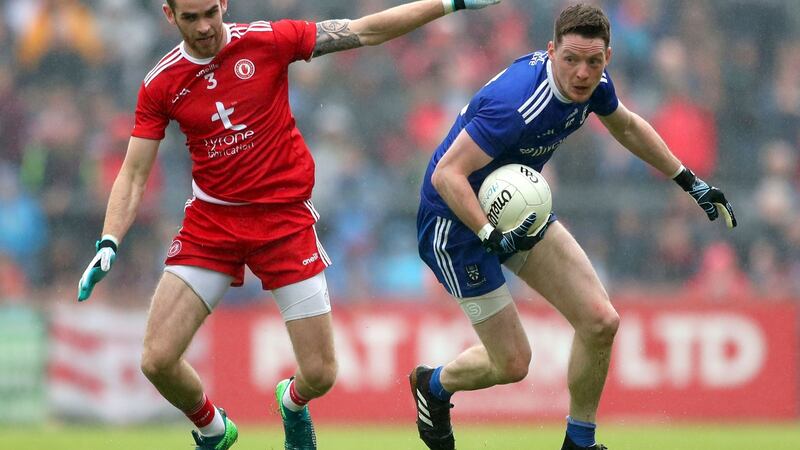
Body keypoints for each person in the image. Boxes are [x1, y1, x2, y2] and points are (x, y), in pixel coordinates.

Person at [76, 1, 499, 449]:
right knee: (157, 360)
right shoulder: (161, 83)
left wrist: (450, 2)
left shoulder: (267, 41)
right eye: (190, 18)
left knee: (320, 374)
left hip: (284, 222)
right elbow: (135, 171)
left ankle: (292, 403)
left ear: (223, 4)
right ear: (168, 15)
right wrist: (109, 240)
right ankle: (213, 429)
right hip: (212, 223)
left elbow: (365, 31)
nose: (203, 27)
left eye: (210, 14)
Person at [410, 4, 736, 450]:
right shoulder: (515, 105)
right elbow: (445, 175)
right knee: (513, 364)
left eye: (593, 62)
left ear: (608, 58)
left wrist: (690, 181)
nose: (582, 73)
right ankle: (433, 386)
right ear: (550, 52)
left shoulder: (594, 83)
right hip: (456, 227)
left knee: (601, 321)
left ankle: (579, 443)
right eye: (571, 60)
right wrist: (489, 234)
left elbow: (625, 125)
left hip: (516, 208)